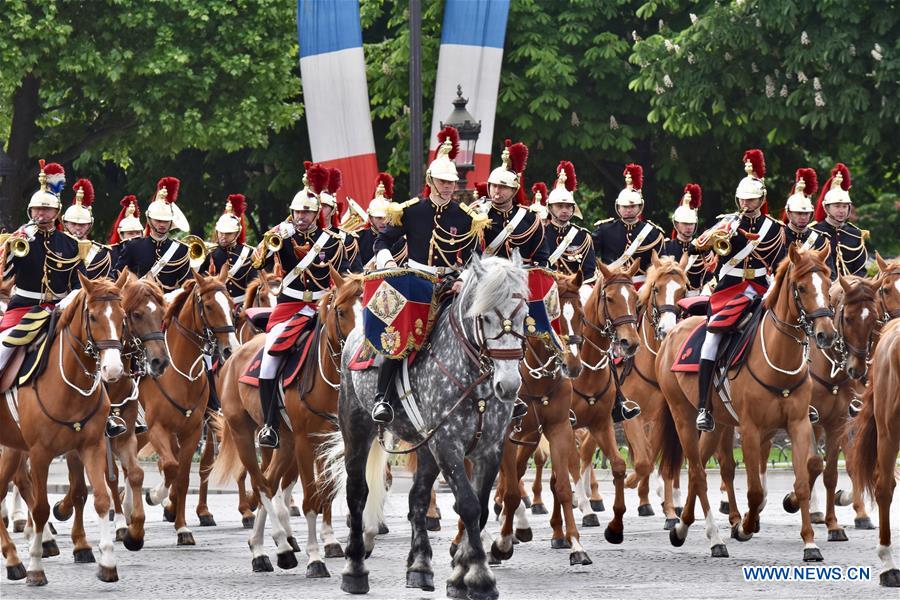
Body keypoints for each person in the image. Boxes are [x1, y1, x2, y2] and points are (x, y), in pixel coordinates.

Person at [0, 162, 127, 438]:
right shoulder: (21, 239)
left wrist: (64, 303)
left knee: (89, 351)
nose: (40, 214)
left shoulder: (70, 244)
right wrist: (12, 246)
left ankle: (105, 415)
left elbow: (77, 282)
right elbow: (7, 275)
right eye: (36, 209)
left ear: (56, 212)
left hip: (59, 309)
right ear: (30, 211)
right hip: (23, 308)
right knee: (3, 346)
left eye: (46, 209)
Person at [370, 126, 482, 424]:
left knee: (489, 328)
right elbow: (382, 240)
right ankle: (382, 399)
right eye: (443, 181)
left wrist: (465, 279)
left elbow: (474, 257)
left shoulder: (465, 216)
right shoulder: (410, 211)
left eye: (452, 182)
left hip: (454, 284)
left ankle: (494, 394)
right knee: (399, 336)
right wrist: (383, 259)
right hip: (416, 284)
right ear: (431, 181)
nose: (448, 187)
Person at [694, 149, 794, 432]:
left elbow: (781, 264)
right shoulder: (726, 222)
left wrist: (774, 288)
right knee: (712, 338)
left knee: (794, 328)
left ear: (762, 200)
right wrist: (716, 234)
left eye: (752, 200)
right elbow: (695, 247)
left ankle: (802, 396)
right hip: (729, 291)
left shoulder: (776, 229)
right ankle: (704, 406)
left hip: (761, 289)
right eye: (743, 199)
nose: (747, 204)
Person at [252, 162, 348, 448]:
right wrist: (270, 243)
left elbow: (341, 275)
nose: (302, 217)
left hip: (323, 308)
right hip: (290, 307)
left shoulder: (332, 242)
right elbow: (259, 263)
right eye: (297, 212)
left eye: (307, 212)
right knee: (269, 358)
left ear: (317, 213)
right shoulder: (281, 236)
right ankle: (270, 424)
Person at [114, 177, 192, 299]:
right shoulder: (132, 246)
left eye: (166, 221)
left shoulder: (180, 250)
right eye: (158, 220)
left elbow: (187, 284)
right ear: (149, 220)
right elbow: (117, 275)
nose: (162, 224)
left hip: (169, 304)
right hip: (138, 305)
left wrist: (170, 298)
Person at [592, 164, 665, 289]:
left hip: (642, 286)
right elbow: (590, 255)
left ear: (640, 207)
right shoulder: (604, 230)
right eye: (625, 207)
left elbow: (660, 266)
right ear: (618, 207)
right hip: (611, 285)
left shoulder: (653, 233)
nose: (628, 210)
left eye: (632, 207)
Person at [810, 163, 871, 279]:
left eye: (844, 206)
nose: (841, 210)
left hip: (851, 290)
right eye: (837, 206)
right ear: (826, 208)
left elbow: (861, 270)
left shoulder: (855, 233)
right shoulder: (813, 232)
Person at [202, 194, 257, 309]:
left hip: (242, 306)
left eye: (228, 233)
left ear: (237, 233)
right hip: (216, 308)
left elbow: (253, 285)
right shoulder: (209, 253)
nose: (223, 236)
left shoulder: (248, 253)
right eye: (221, 232)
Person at [544, 161, 596, 282]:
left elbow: (589, 272)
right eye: (560, 206)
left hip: (575, 290)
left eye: (568, 207)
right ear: (550, 208)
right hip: (548, 287)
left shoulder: (583, 236)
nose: (564, 210)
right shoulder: (541, 234)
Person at [661, 184, 714, 295]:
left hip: (698, 299)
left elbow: (710, 277)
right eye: (685, 224)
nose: (689, 227)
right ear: (676, 224)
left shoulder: (704, 247)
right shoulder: (666, 247)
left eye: (691, 224)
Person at [62, 178, 116, 280]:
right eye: (73, 224)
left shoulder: (100, 253)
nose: (78, 227)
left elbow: (108, 281)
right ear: (65, 223)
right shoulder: (56, 246)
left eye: (82, 224)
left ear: (89, 225)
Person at [355, 172, 407, 269]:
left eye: (385, 218)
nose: (383, 222)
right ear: (370, 218)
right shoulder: (359, 238)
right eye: (378, 218)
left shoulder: (400, 240)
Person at [107, 195, 144, 269]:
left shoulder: (148, 251)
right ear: (121, 235)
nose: (135, 237)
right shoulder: (110, 255)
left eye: (137, 233)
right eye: (130, 233)